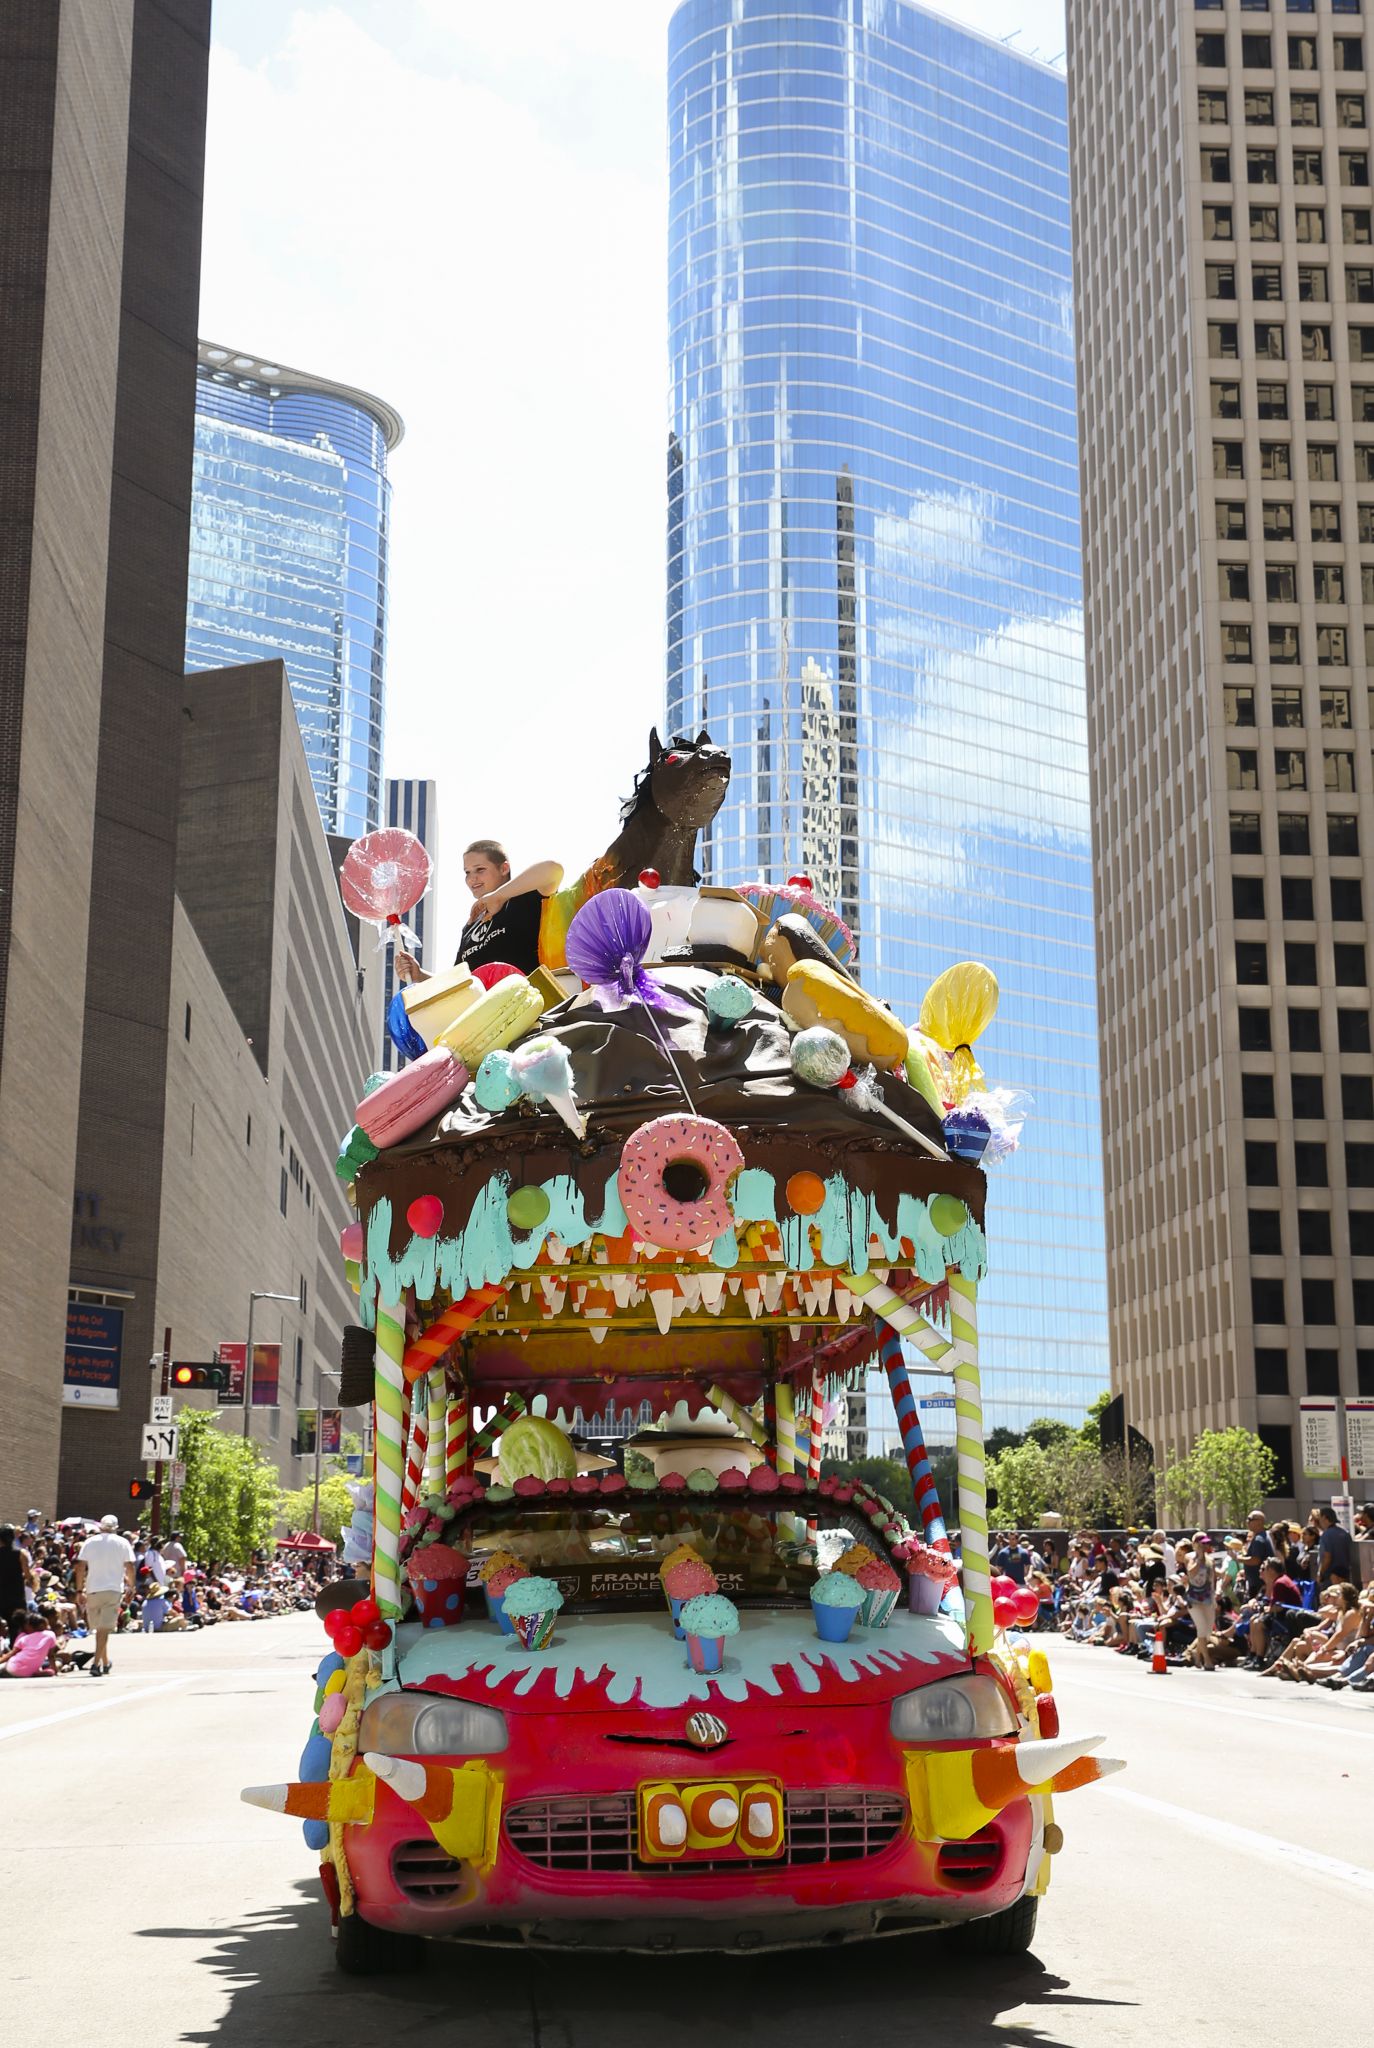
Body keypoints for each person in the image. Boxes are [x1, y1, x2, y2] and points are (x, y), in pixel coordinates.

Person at [397, 841, 563, 982]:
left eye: (480, 869)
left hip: (531, 1007)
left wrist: (498, 896)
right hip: (488, 1016)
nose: (471, 878)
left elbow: (553, 870)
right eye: (467, 872)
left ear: (504, 868)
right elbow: (460, 982)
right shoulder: (470, 926)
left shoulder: (523, 898)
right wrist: (420, 975)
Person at [75, 1515, 135, 1677]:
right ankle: (97, 1663)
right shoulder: (122, 1543)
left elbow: (80, 1566)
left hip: (93, 1589)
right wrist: (131, 1586)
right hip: (113, 1589)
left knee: (100, 1629)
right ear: (115, 1527)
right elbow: (129, 1565)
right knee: (103, 1629)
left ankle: (104, 1662)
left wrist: (79, 1590)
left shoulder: (89, 1542)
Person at [1182, 1532, 1217, 1669]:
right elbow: (1191, 1573)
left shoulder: (1211, 1560)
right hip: (1193, 1598)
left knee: (1207, 1632)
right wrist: (1200, 1558)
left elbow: (1212, 1580)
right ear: (1195, 1544)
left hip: (1207, 1597)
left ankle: (1197, 1654)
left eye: (1206, 1543)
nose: (1205, 1546)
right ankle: (1207, 1660)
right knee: (1201, 1628)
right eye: (1202, 1543)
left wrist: (1214, 1598)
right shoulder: (1189, 1557)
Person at [0, 1612, 56, 1678]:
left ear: (28, 1626)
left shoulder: (24, 1638)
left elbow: (11, 1654)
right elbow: (51, 1656)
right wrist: (55, 1670)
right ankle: (35, 1672)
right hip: (28, 1672)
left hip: (12, 1668)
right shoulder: (51, 1635)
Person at [0, 1524, 34, 1623]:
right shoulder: (21, 1553)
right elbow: (28, 1575)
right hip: (17, 1594)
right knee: (18, 1624)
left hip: (1, 1595)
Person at [1316, 1505, 1354, 1588]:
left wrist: (1320, 1573)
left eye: (1320, 1517)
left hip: (1330, 1578)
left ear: (1325, 1518)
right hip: (1345, 1577)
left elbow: (1327, 1557)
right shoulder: (1345, 1534)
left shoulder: (1326, 1535)